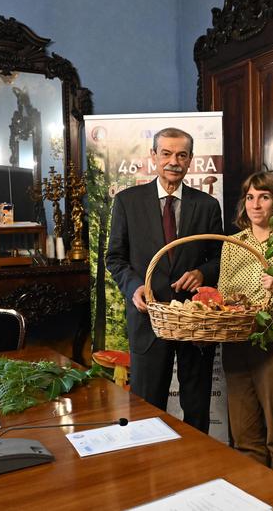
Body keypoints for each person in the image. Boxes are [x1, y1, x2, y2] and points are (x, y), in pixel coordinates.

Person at [106, 127, 223, 433]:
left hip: (195, 322)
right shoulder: (127, 201)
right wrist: (134, 287)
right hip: (148, 320)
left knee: (197, 407)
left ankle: (197, 460)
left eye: (181, 155)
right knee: (146, 409)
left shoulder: (207, 205)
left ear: (190, 160)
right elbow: (115, 258)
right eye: (167, 153)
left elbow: (218, 258)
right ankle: (148, 461)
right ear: (154, 156)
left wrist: (202, 273)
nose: (174, 161)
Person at [217, 171, 273, 478]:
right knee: (244, 435)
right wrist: (233, 304)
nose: (255, 205)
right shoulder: (233, 244)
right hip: (237, 342)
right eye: (250, 197)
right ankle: (255, 494)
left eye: (264, 197)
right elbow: (223, 293)